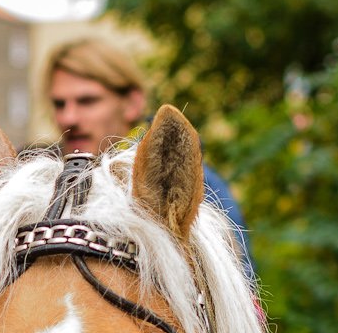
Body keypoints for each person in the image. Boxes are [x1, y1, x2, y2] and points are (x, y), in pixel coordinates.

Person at [43, 35, 251, 265]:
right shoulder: (47, 183)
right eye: (59, 104)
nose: (68, 118)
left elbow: (234, 285)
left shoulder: (185, 179)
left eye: (87, 101)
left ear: (132, 103)